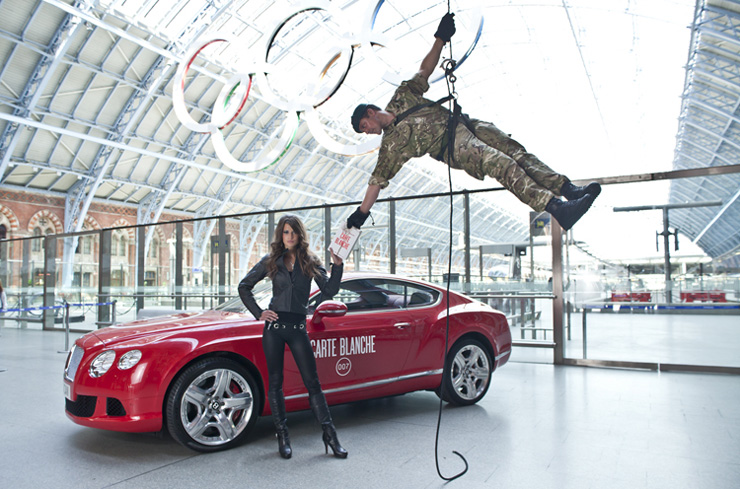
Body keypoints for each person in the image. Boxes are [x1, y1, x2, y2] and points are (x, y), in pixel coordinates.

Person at [347, 13, 601, 232]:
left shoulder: (402, 96)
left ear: (371, 112)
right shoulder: (391, 146)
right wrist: (361, 214)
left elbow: (424, 70)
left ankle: (567, 189)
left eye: (364, 125)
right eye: (363, 131)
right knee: (498, 162)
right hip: (455, 147)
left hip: (465, 124)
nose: (367, 132)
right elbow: (376, 182)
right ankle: (555, 208)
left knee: (515, 151)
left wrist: (440, 38)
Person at [238, 215, 347, 459]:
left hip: (298, 328)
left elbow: (330, 290)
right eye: (285, 232)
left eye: (293, 232)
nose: (289, 236)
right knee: (276, 383)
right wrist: (259, 313)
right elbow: (244, 286)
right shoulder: (271, 261)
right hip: (274, 329)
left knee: (313, 383)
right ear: (281, 235)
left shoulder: (309, 261)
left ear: (299, 235)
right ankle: (283, 436)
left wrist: (337, 265)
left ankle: (330, 435)